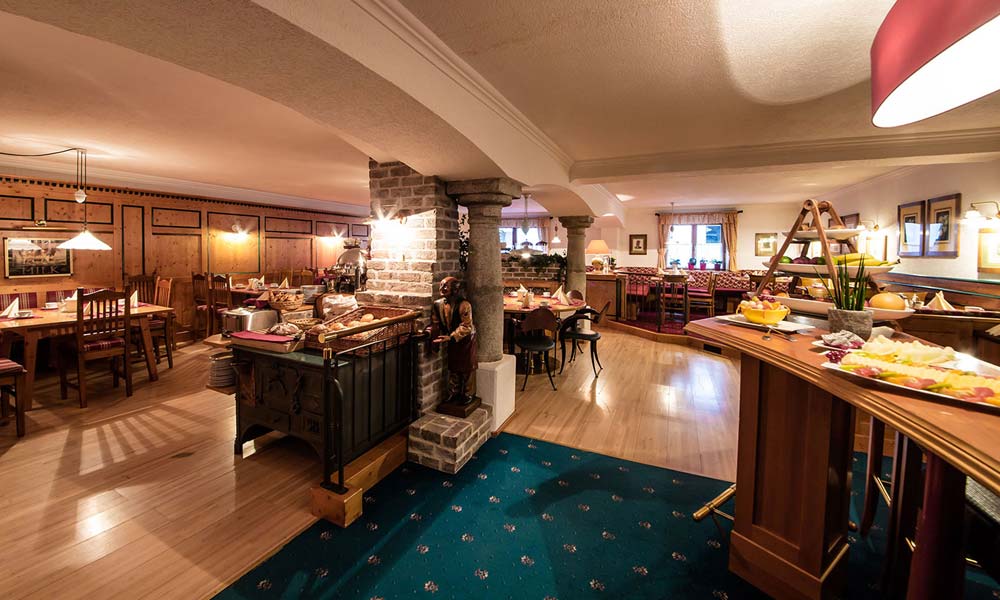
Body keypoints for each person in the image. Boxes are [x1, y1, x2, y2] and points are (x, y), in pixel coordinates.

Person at [427, 276, 477, 405]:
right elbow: (435, 323)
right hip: (450, 338)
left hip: (466, 338)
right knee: (453, 365)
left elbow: (467, 326)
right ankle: (453, 392)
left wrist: (452, 336)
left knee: (467, 367)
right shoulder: (437, 304)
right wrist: (430, 332)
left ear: (455, 289)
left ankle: (468, 393)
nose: (442, 288)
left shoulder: (464, 305)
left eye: (446, 286)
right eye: (441, 285)